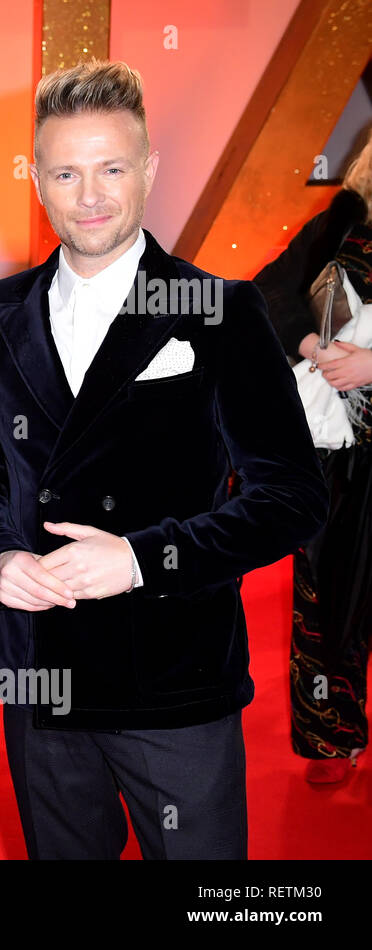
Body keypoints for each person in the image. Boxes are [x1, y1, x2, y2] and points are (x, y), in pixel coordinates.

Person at [0, 60, 328, 859]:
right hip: (38, 675)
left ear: (148, 169)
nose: (90, 195)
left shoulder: (218, 309)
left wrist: (142, 560)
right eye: (67, 173)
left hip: (174, 681)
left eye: (112, 168)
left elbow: (293, 496)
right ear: (38, 182)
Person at [254, 135, 372, 784]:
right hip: (342, 455)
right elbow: (271, 289)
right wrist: (310, 342)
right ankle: (332, 736)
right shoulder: (343, 219)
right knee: (328, 599)